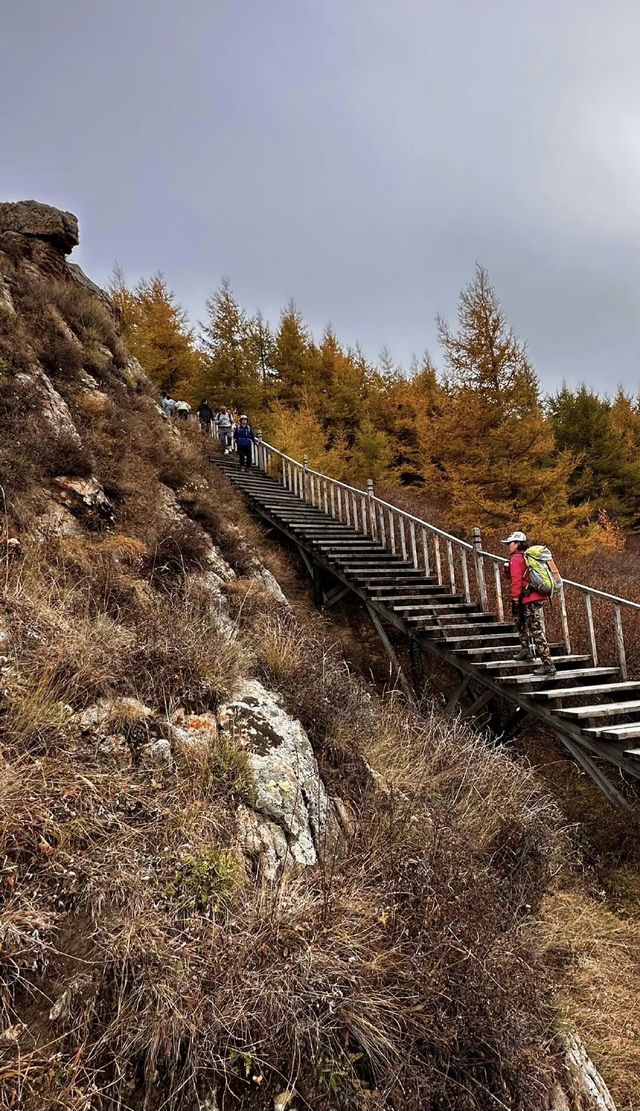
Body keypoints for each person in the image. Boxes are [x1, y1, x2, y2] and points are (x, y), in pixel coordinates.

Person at [502, 530, 557, 677]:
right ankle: (526, 650)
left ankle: (548, 664)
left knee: (535, 629)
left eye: (511, 543)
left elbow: (516, 581)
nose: (509, 546)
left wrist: (514, 599)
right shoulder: (528, 557)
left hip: (528, 598)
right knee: (523, 622)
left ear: (518, 544)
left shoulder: (516, 559)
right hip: (536, 596)